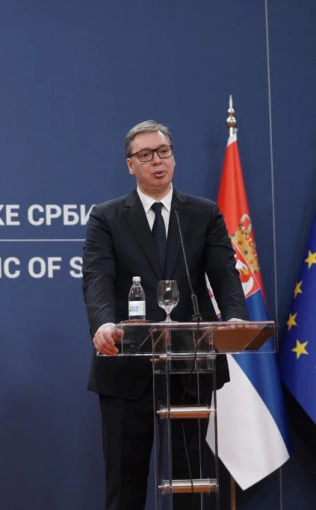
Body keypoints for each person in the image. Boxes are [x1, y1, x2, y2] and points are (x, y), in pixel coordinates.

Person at [82, 120, 248, 510]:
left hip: (191, 365)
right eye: (145, 155)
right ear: (130, 165)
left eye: (163, 152)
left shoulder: (203, 214)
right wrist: (104, 323)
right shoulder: (107, 217)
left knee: (191, 486)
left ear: (173, 157)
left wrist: (235, 317)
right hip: (126, 364)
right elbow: (97, 279)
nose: (157, 161)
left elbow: (225, 272)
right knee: (125, 489)